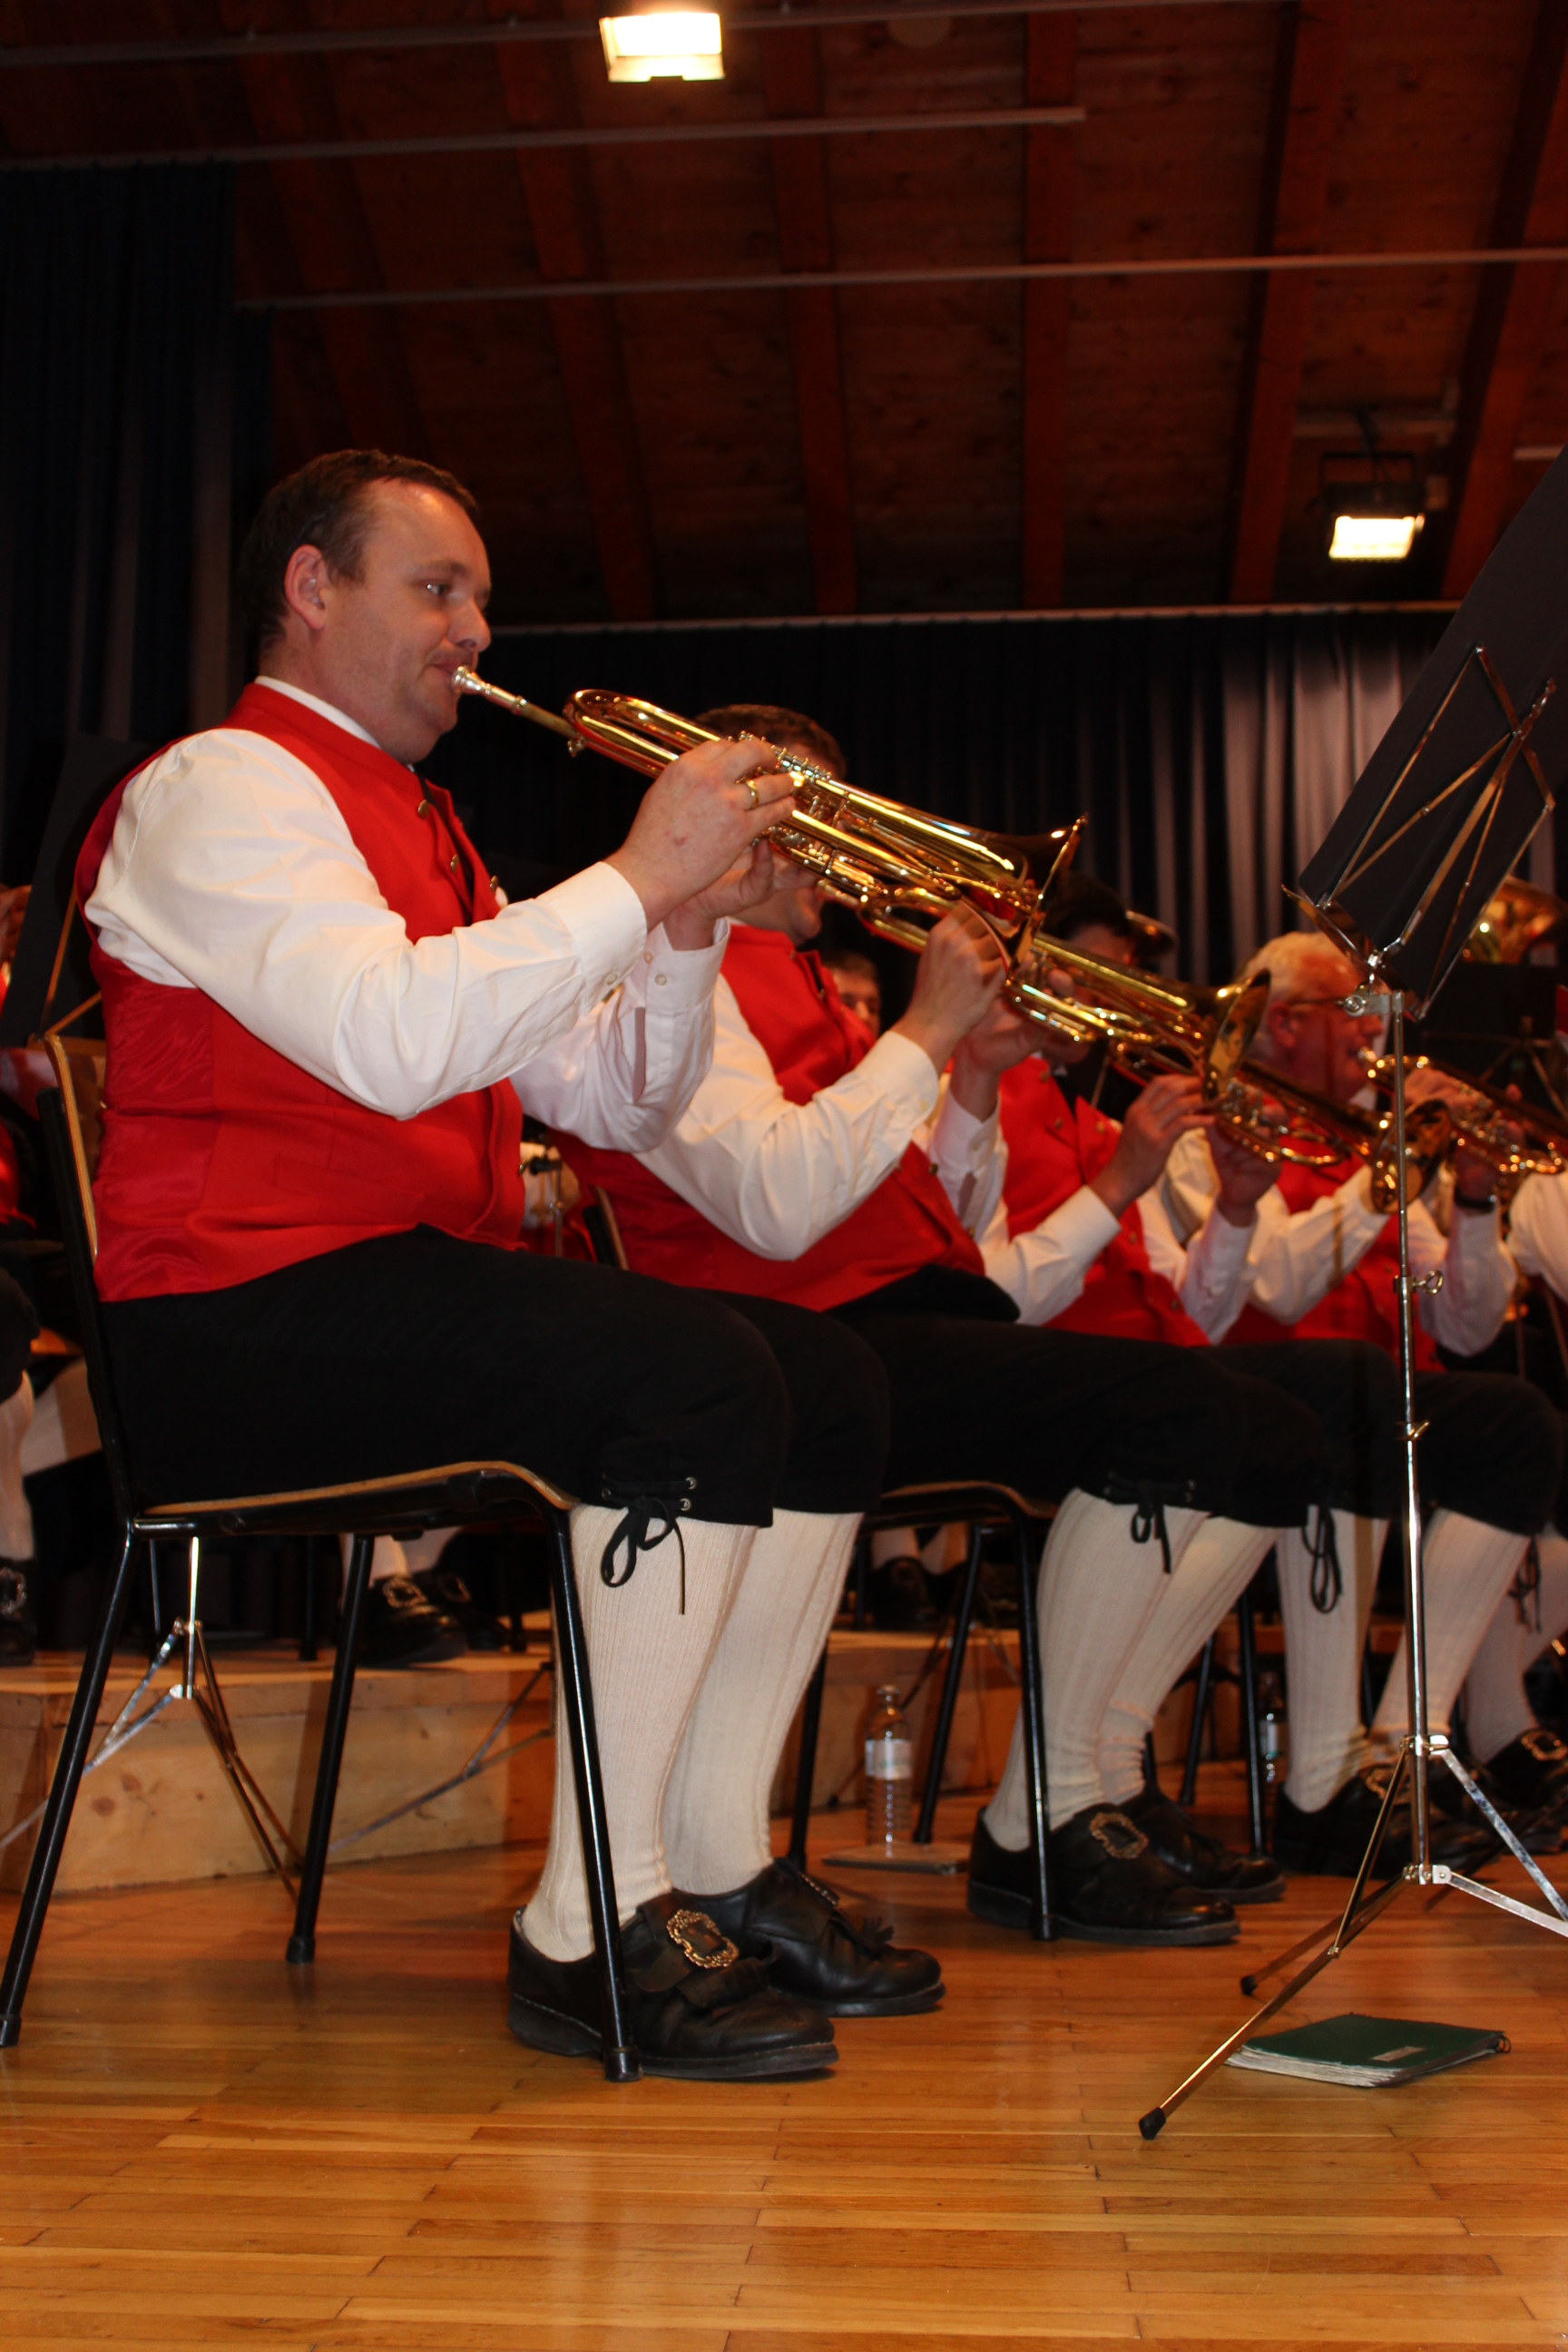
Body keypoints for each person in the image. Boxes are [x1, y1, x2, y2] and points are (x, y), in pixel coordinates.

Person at [75, 451, 945, 2082]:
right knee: (689, 1371)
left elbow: (617, 1100)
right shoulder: (220, 786)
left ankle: (713, 1864)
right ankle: (587, 1923)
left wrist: (684, 927)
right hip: (224, 1319)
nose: (475, 628)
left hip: (368, 1293)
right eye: (438, 588)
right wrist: (639, 875)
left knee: (824, 1378)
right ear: (311, 589)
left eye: (479, 596)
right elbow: (395, 1040)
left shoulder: (432, 829)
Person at [560, 703, 1333, 1949]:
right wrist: (924, 1036)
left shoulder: (812, 986)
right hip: (776, 1345)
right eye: (813, 822)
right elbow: (778, 1206)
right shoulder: (667, 966)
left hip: (886, 1325)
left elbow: (947, 1237)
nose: (839, 856)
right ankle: (1050, 1811)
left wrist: (965, 1079)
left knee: (1269, 1430)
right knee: (1183, 1409)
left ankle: (1095, 1778)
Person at [1162, 928, 1563, 1866]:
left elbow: (1463, 1325)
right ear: (1285, 1022)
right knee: (1359, 1386)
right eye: (1353, 1010)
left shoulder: (1368, 1145)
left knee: (1518, 1425)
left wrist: (1470, 1200)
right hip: (1261, 1405)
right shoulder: (1215, 1128)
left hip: (1372, 1411)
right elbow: (1273, 1285)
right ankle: (1331, 1774)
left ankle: (1401, 1740)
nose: (1375, 1032)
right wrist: (1383, 1177)